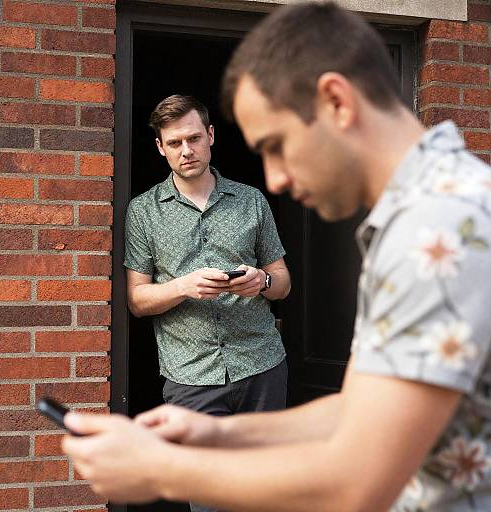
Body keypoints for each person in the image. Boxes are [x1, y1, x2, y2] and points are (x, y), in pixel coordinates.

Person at [63, 3, 491, 511]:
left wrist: (160, 468)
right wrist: (217, 436)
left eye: (276, 144)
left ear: (336, 100)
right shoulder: (432, 209)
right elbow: (364, 412)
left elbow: (361, 476)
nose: (276, 179)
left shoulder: (437, 226)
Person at [123, 94, 291, 511]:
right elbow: (137, 300)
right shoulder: (143, 212)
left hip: (262, 366)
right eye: (175, 143)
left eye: (194, 138)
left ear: (211, 136)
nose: (187, 151)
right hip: (191, 376)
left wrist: (261, 280)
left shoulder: (251, 200)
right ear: (160, 148)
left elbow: (284, 282)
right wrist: (183, 287)